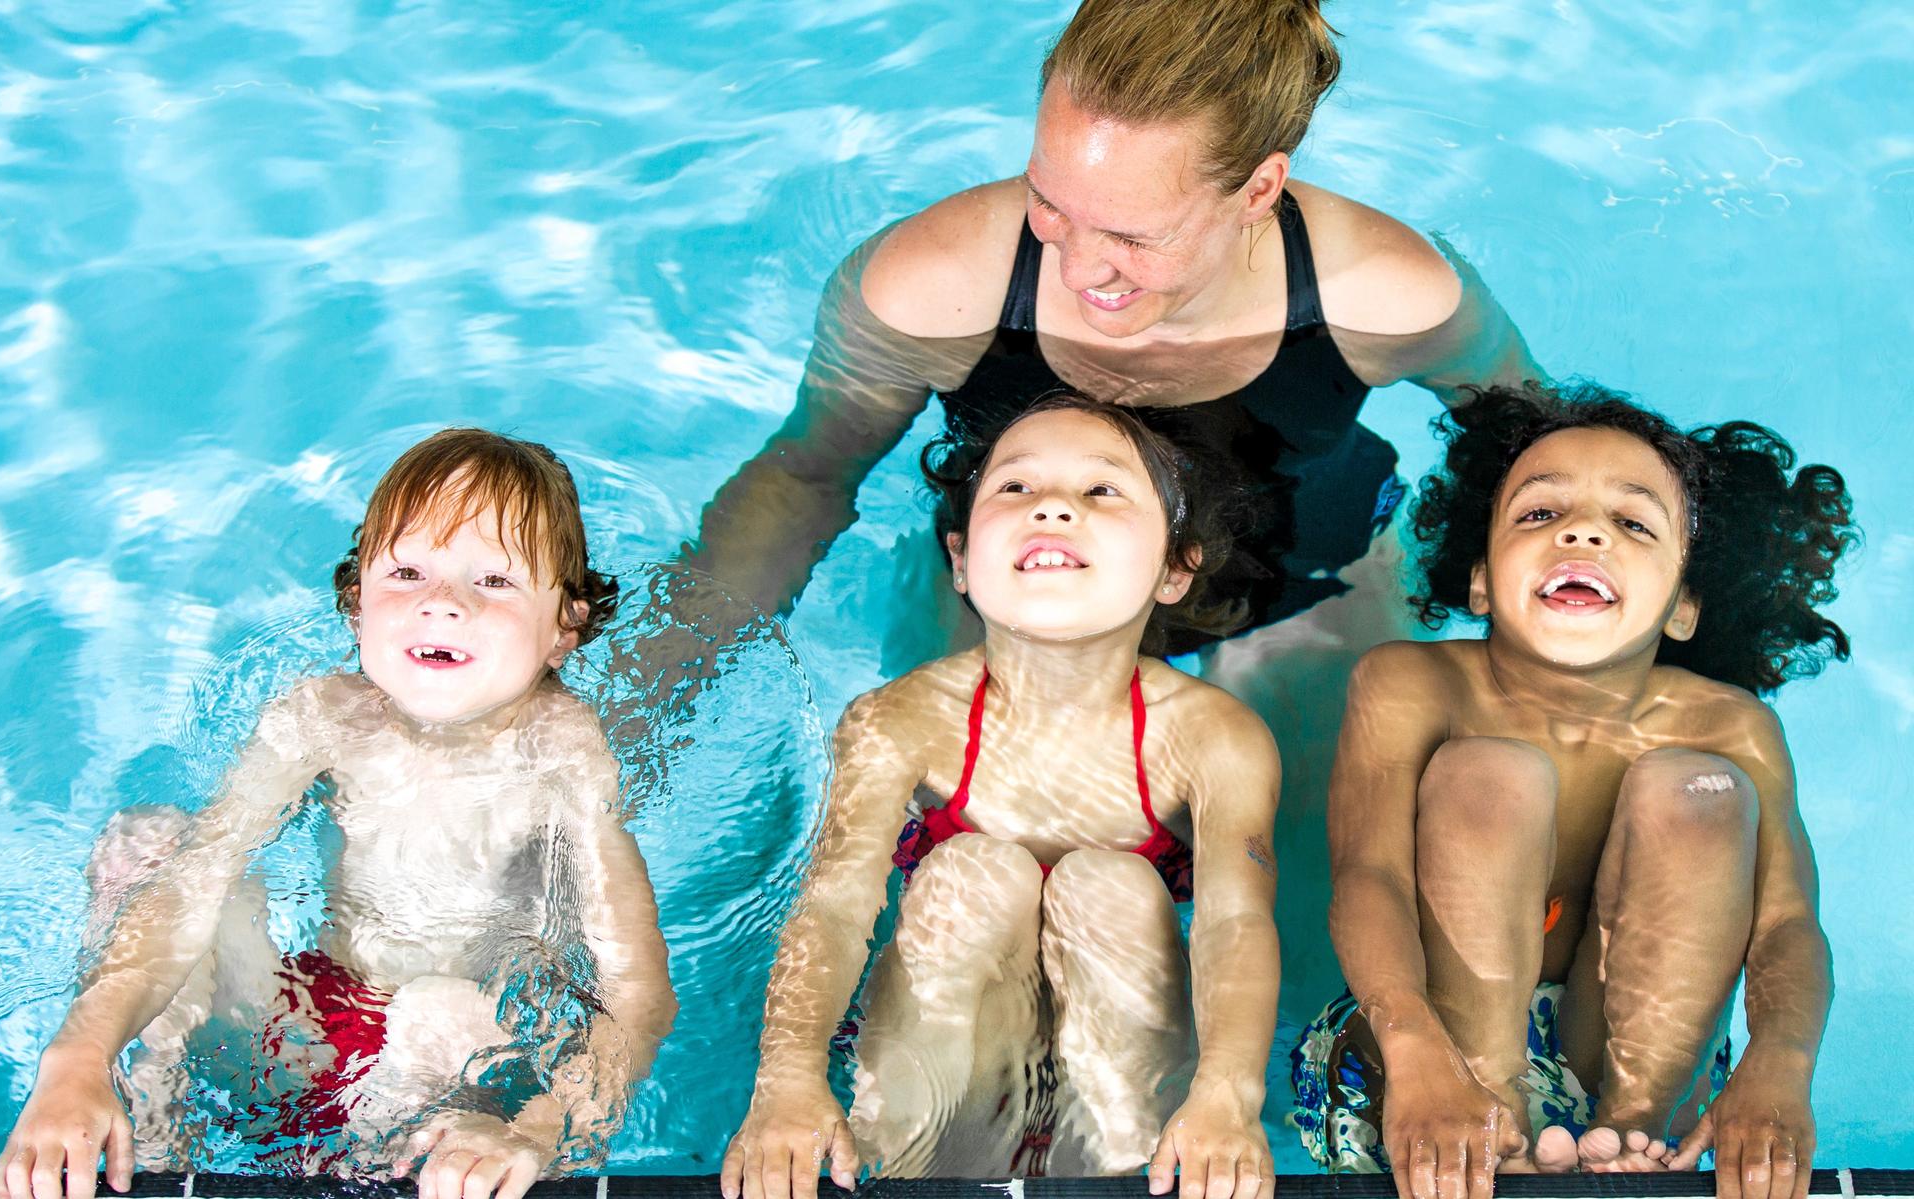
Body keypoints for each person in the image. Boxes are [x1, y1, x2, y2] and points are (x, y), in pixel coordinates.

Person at [677, 0, 1542, 1013]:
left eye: (1134, 234)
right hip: (1011, 595)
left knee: (1325, 917)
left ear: (1260, 187)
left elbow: (1540, 460)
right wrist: (674, 673)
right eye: (1051, 203)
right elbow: (807, 473)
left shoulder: (1385, 293)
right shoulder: (934, 282)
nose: (1080, 266)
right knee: (958, 929)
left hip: (1306, 582)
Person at [0, 429, 677, 1199]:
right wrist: (75, 1059)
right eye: (408, 571)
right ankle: (146, 1133)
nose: (441, 602)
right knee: (147, 843)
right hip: (299, 1033)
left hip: (444, 1078)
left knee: (437, 1006)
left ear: (564, 628)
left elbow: (637, 995)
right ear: (359, 605)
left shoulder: (563, 753)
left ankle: (440, 1169)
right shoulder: (324, 714)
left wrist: (532, 1126)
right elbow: (196, 885)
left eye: (492, 579)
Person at [1299, 383, 1853, 1199]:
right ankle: (1491, 1122)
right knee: (1491, 773)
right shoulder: (1413, 684)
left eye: (1632, 524)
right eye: (1537, 514)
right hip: (1416, 1048)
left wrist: (1780, 1065)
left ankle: (1631, 1141)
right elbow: (1368, 877)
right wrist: (1418, 1052)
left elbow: (1784, 926)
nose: (1583, 530)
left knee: (1702, 789)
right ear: (1480, 580)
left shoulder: (1729, 723)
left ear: (1685, 604)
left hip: (1631, 1051)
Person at [720, 398, 1282, 1197]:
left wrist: (1228, 1095)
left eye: (1102, 492)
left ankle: (1126, 1171)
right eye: (1015, 489)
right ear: (959, 557)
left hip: (1118, 1075)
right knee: (972, 874)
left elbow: (1236, 919)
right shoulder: (898, 720)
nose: (1053, 506)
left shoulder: (1212, 738)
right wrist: (787, 1079)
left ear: (1174, 568)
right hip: (951, 1055)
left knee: (1111, 885)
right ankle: (916, 1173)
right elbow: (833, 907)